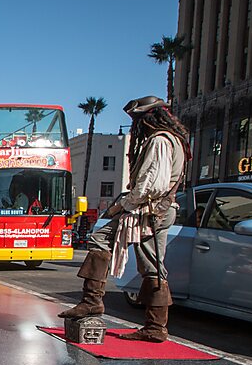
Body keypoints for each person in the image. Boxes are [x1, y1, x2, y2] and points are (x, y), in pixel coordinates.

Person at [59, 95, 188, 343]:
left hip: (148, 210)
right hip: (160, 210)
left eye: (137, 120)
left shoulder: (159, 140)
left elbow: (149, 185)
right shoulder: (174, 140)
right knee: (153, 266)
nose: (136, 125)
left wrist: (122, 206)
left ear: (148, 119)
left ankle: (92, 302)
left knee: (99, 239)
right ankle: (156, 326)